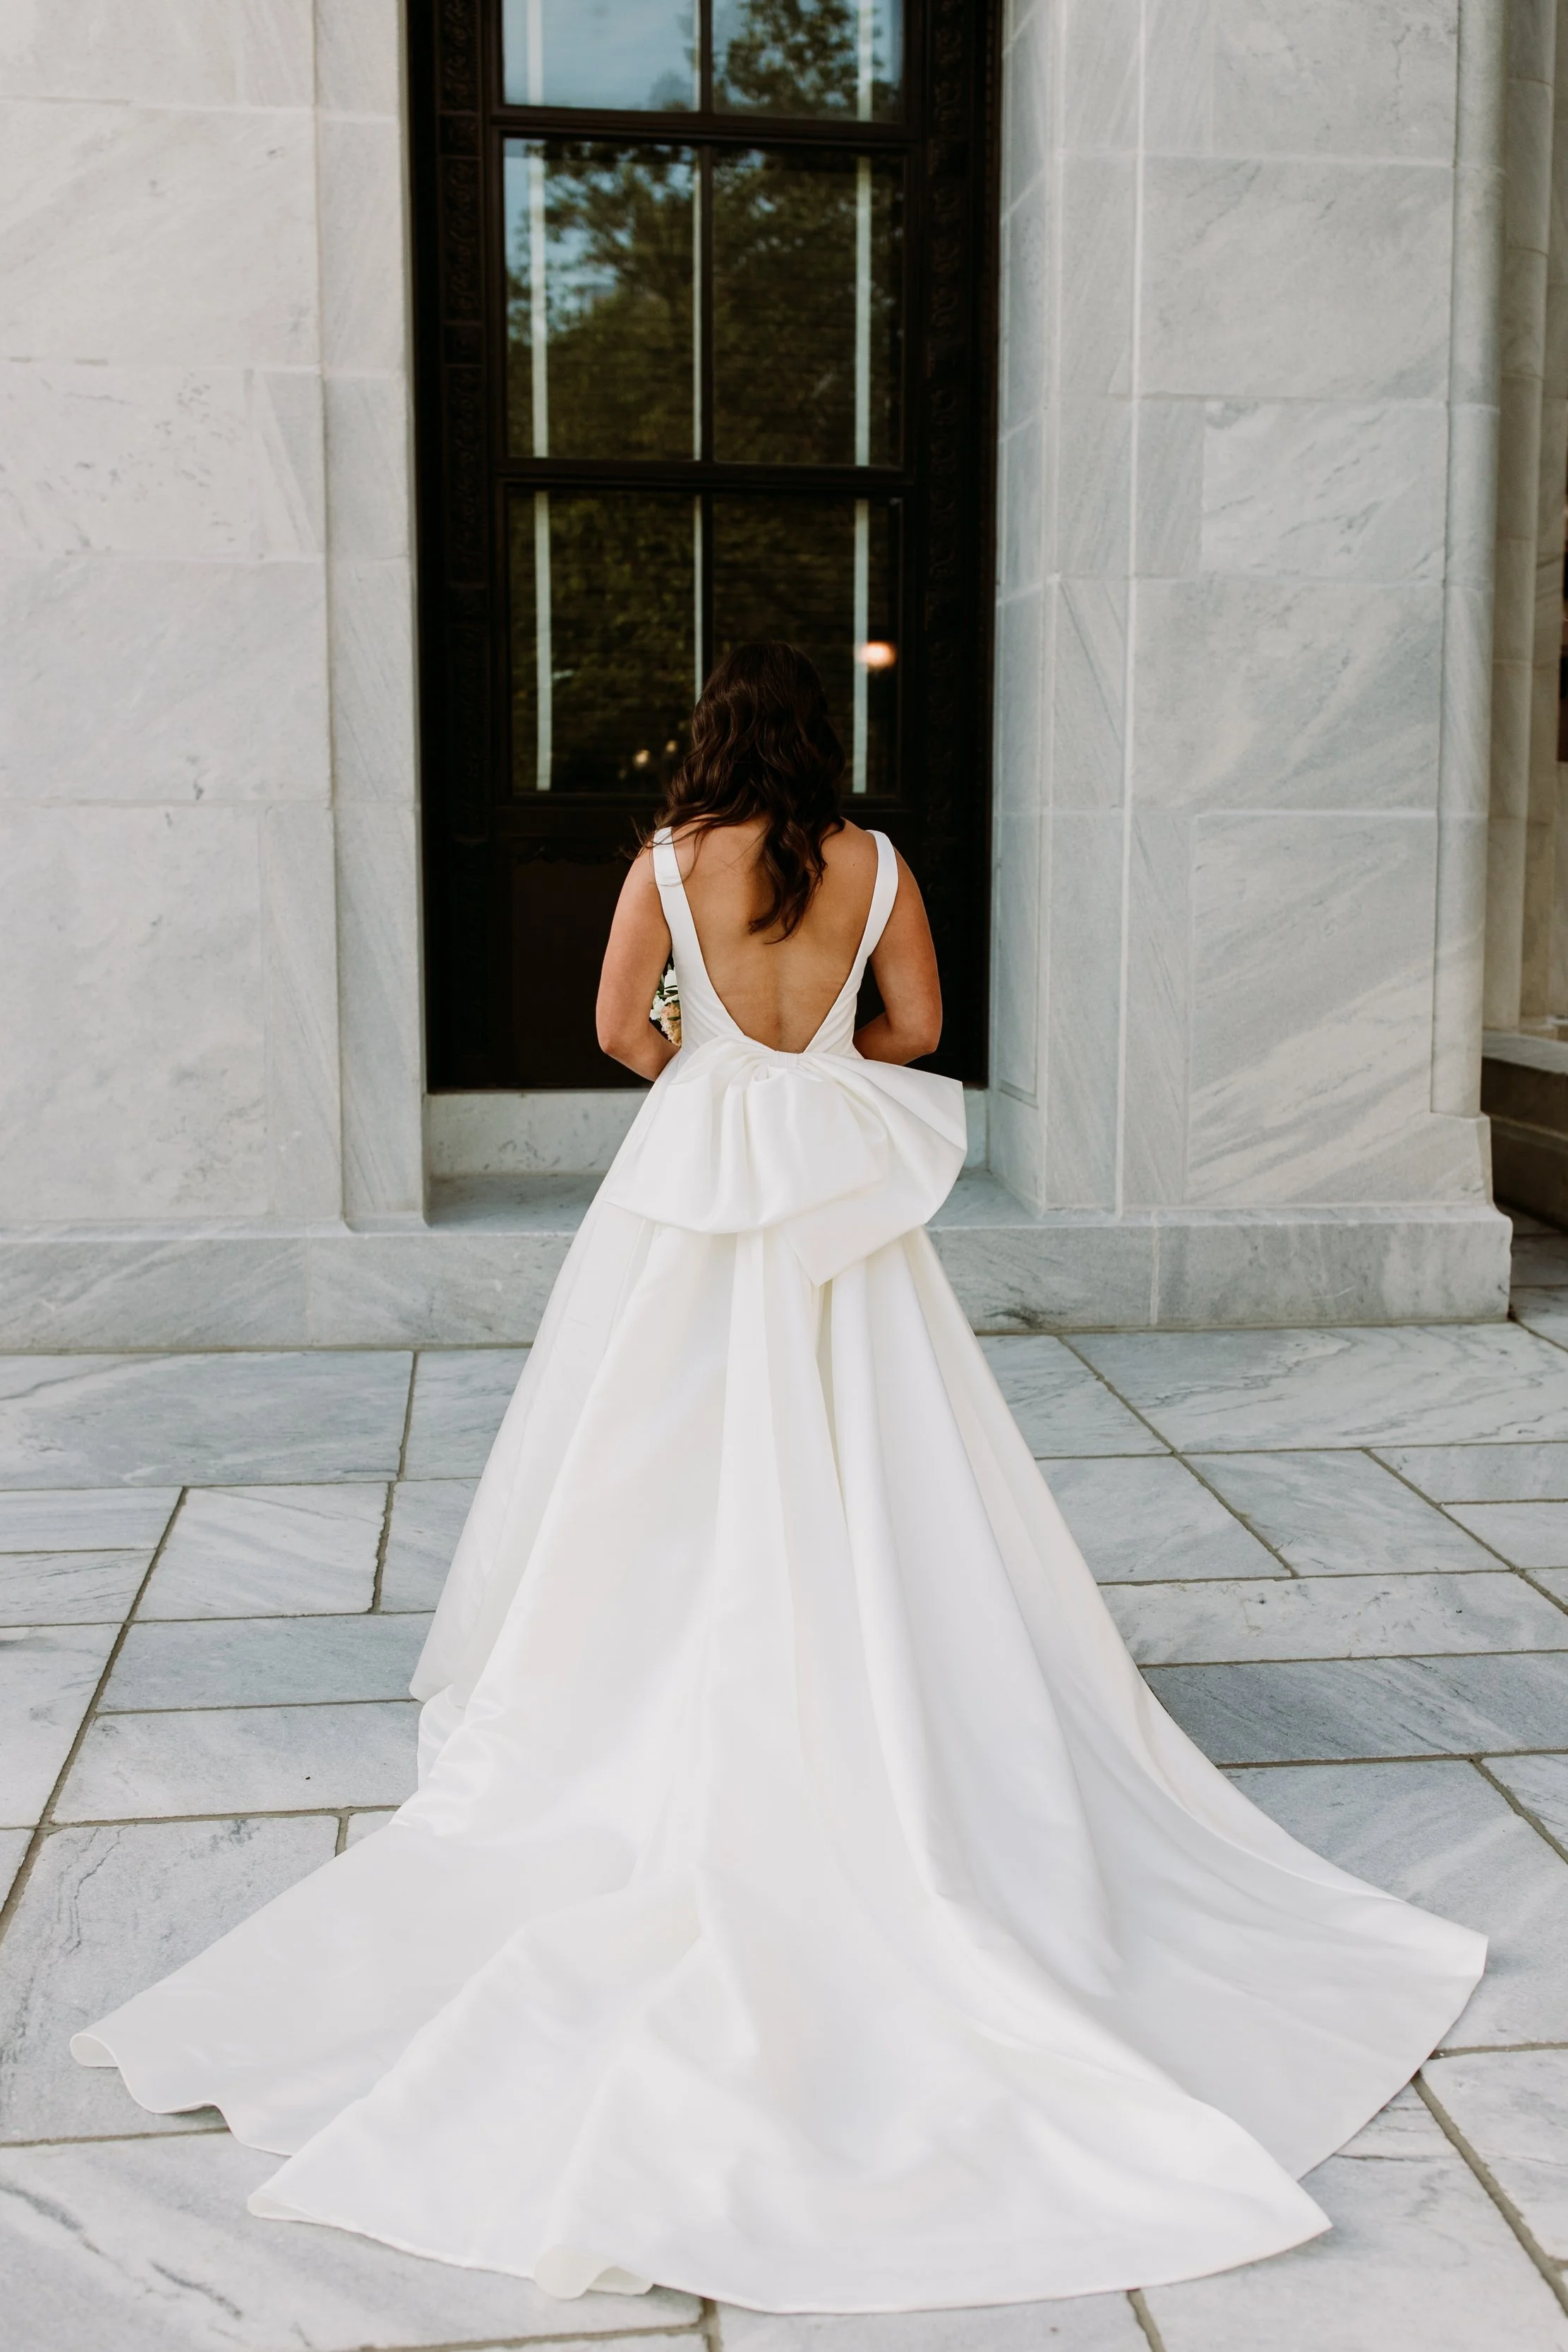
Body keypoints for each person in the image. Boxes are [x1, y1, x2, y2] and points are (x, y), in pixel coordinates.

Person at [73, 642, 1485, 2311]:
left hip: (697, 1186)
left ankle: (668, 1674)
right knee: (879, 1435)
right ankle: (872, 1655)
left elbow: (616, 1028)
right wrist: (806, 1075)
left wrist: (716, 1074)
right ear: (825, 739)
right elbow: (921, 1028)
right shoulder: (878, 862)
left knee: (650, 1446)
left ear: (710, 737)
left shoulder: (668, 861)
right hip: (834, 1180)